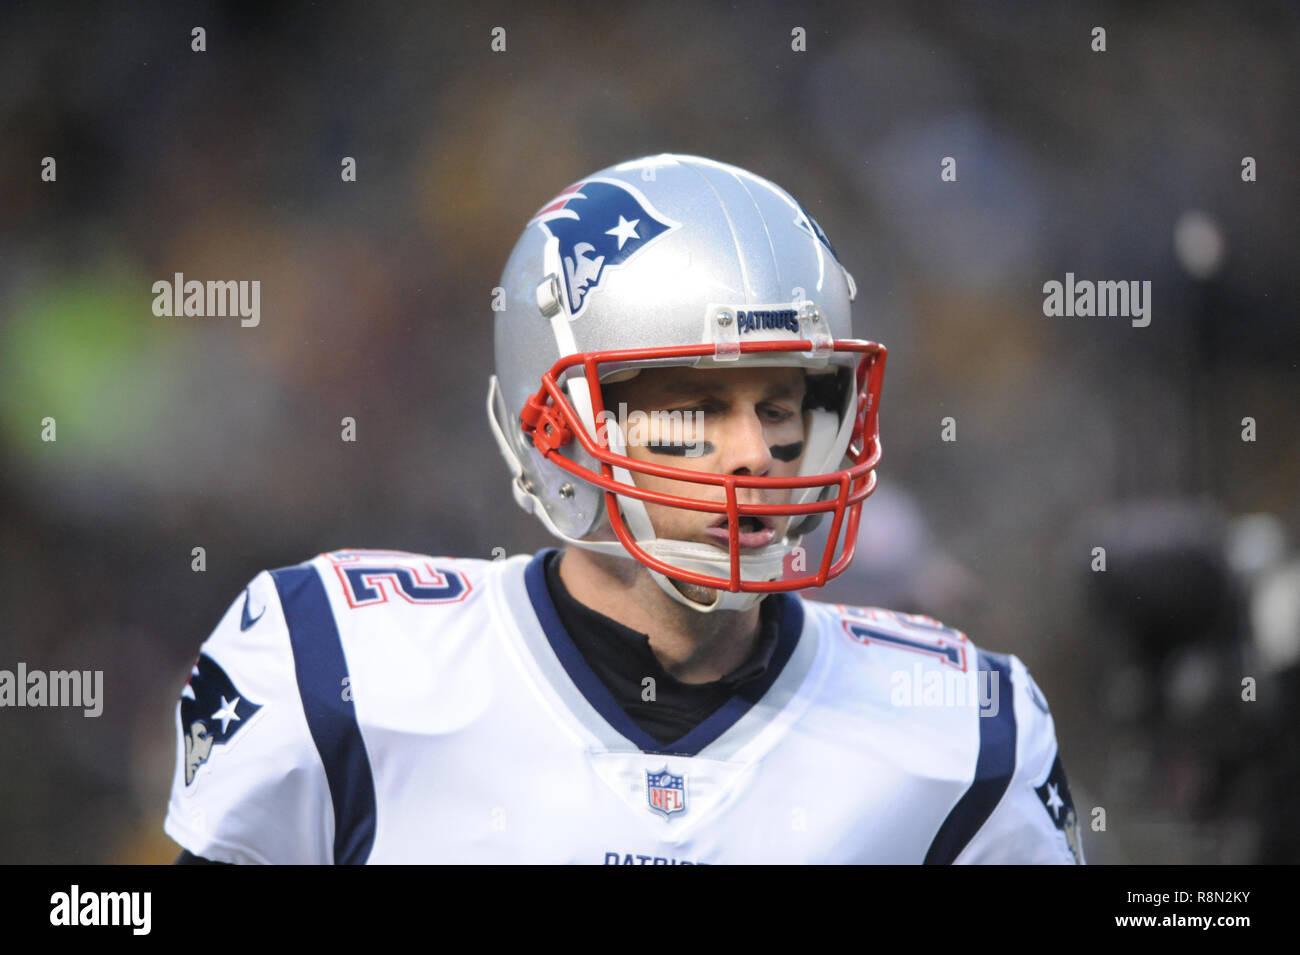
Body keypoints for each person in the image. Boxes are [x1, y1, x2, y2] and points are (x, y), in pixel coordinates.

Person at [165, 153, 1083, 864]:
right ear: (557, 431)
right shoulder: (340, 669)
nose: (755, 452)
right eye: (697, 409)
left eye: (780, 406)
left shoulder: (962, 730)